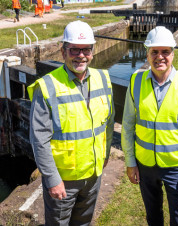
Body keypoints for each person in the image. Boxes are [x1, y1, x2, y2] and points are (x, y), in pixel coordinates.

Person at [28, 20, 115, 225]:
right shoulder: (48, 86)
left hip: (93, 175)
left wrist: (105, 155)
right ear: (63, 52)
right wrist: (52, 178)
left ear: (93, 51)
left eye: (86, 49)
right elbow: (39, 138)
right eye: (74, 50)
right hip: (63, 180)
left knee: (83, 222)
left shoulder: (103, 79)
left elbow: (108, 124)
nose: (81, 55)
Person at [121, 26, 178, 225]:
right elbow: (127, 125)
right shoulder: (136, 81)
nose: (160, 57)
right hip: (145, 164)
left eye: (165, 52)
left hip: (176, 166)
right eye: (154, 52)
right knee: (153, 217)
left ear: (173, 54)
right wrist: (131, 161)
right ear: (147, 54)